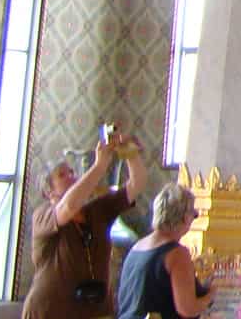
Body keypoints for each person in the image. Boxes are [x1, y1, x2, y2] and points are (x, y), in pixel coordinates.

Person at [22, 128, 147, 319]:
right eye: (62, 175)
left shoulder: (96, 210)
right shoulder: (43, 215)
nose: (71, 176)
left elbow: (136, 185)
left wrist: (129, 151)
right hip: (51, 311)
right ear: (49, 191)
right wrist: (99, 166)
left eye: (72, 172)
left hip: (95, 311)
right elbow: (68, 207)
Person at [116, 183, 213, 319]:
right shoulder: (177, 254)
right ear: (185, 217)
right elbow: (187, 309)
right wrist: (211, 296)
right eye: (194, 214)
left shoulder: (137, 247)